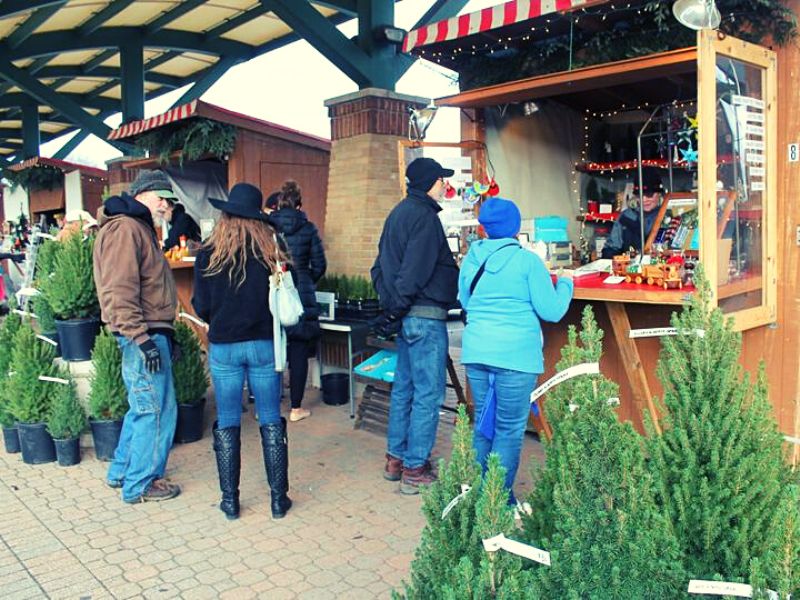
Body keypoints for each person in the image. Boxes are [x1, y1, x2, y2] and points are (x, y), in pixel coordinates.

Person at [459, 197, 573, 504]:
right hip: (516, 357)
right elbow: (552, 311)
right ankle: (499, 502)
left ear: (485, 228)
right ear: (514, 227)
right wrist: (566, 284)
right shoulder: (528, 262)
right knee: (508, 430)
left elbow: (467, 302)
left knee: (484, 424)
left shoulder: (472, 259)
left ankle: (481, 494)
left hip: (476, 352)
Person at [192, 182, 293, 521]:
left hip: (224, 348)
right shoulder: (271, 254)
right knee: (269, 418)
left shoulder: (208, 254)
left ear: (226, 215)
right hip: (263, 344)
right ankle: (279, 500)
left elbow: (201, 306)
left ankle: (230, 501)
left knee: (228, 420)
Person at [371, 157, 459, 495]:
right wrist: (399, 306)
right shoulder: (424, 217)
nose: (443, 185)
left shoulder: (397, 214)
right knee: (428, 393)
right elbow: (415, 271)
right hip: (423, 316)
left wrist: (392, 309)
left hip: (407, 316)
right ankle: (414, 468)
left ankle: (396, 459)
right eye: (441, 179)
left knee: (405, 389)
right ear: (430, 182)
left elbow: (378, 267)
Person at [93, 170, 181, 504]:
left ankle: (121, 472)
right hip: (140, 334)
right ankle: (141, 483)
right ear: (142, 194)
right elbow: (119, 289)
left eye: (168, 199)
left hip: (146, 331)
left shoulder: (136, 227)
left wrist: (163, 335)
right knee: (155, 411)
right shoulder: (127, 228)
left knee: (142, 407)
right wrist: (141, 338)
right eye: (161, 196)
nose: (165, 203)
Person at [268, 180, 327, 423]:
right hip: (301, 294)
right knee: (299, 350)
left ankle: (268, 406)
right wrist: (305, 280)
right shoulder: (308, 228)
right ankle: (296, 408)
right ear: (300, 203)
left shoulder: (268, 228)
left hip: (273, 291)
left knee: (272, 348)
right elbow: (320, 265)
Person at [601, 168, 664, 259]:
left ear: (659, 193)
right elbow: (610, 249)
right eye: (639, 195)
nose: (644, 200)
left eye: (649, 194)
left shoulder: (668, 216)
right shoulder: (625, 217)